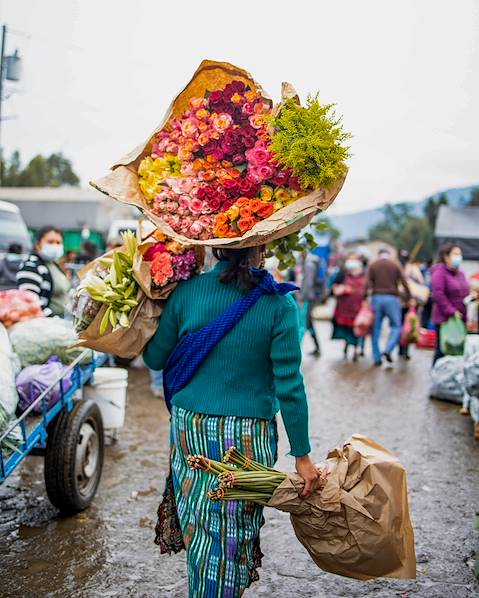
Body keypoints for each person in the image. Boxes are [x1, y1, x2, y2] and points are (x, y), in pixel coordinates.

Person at [143, 246, 317, 597]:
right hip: (246, 438)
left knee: (199, 521)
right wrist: (302, 455)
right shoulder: (279, 304)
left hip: (190, 428)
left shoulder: (187, 292)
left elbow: (155, 357)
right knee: (231, 532)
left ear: (214, 247)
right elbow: (290, 384)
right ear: (263, 248)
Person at [368, 248, 411, 366]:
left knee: (375, 329)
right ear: (389, 255)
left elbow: (368, 284)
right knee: (396, 326)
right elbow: (404, 282)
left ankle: (377, 358)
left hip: (376, 298)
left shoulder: (373, 265)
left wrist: (364, 299)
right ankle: (388, 349)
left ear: (379, 255)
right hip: (392, 299)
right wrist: (409, 297)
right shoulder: (395, 265)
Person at [16, 226, 72, 317]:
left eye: (58, 243)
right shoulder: (31, 265)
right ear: (38, 244)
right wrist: (51, 319)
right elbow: (29, 301)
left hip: (61, 321)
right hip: (47, 323)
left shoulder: (54, 264)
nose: (55, 246)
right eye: (50, 242)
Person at [431, 244, 470, 364]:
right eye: (455, 254)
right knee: (442, 349)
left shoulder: (461, 274)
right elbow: (438, 295)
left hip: (460, 319)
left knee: (457, 351)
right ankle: (436, 376)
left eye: (460, 254)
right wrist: (451, 311)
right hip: (445, 319)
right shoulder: (440, 273)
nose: (459, 257)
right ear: (446, 257)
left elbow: (465, 291)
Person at [331, 252, 367, 360]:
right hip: (344, 308)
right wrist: (342, 289)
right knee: (346, 329)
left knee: (357, 329)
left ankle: (356, 350)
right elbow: (334, 287)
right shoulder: (342, 273)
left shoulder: (364, 274)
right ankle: (346, 347)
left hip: (358, 308)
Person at [300, 251, 325, 356]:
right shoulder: (314, 262)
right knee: (309, 323)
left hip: (307, 298)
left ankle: (296, 350)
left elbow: (308, 283)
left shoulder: (309, 264)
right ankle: (317, 347)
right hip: (311, 297)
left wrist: (303, 297)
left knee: (303, 323)